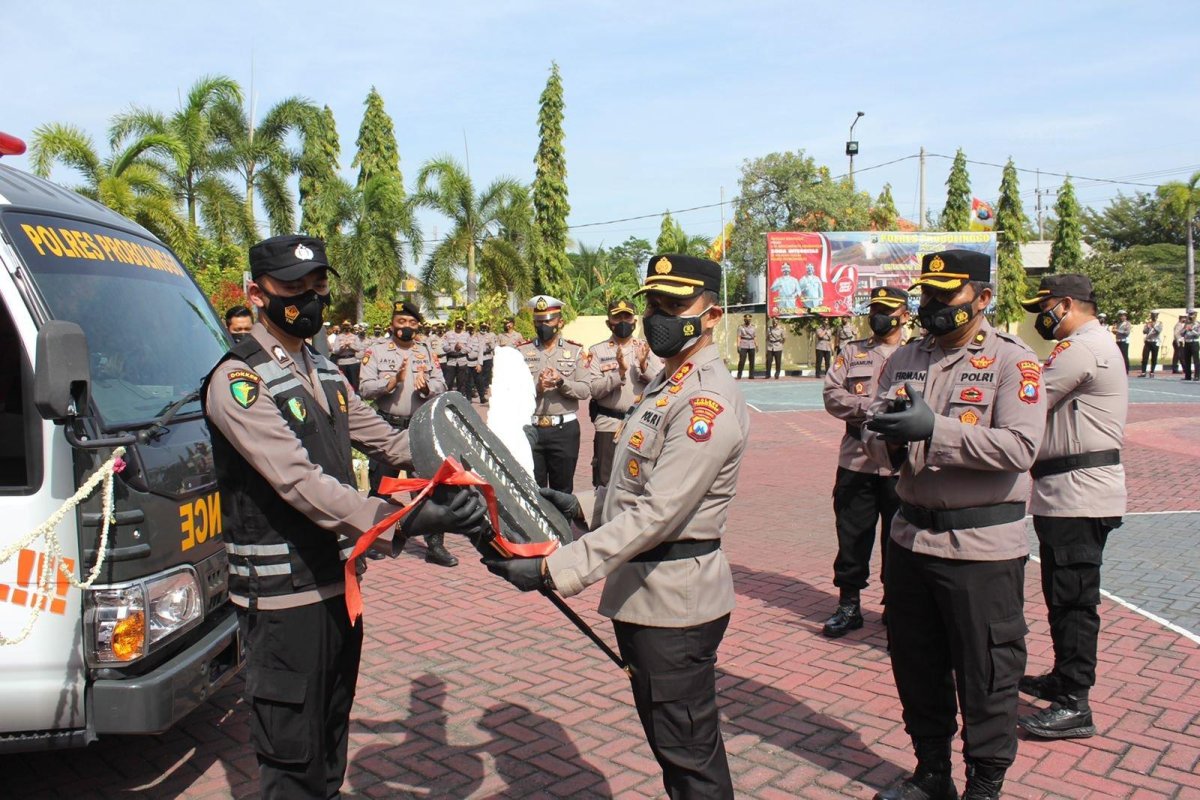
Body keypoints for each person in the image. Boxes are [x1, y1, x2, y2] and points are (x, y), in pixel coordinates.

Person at [201, 234, 487, 799]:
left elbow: (391, 443)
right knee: (293, 762)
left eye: (317, 284)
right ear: (257, 295)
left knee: (331, 741)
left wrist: (471, 461)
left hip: (337, 586)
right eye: (293, 286)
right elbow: (298, 482)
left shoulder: (325, 372)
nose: (309, 297)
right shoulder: (238, 381)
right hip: (283, 599)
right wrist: (402, 521)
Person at [486, 253, 749, 799]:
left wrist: (556, 568)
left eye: (674, 305)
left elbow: (659, 513)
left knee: (689, 758)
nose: (657, 317)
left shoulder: (704, 399)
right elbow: (637, 487)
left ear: (712, 315)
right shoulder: (669, 382)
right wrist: (579, 504)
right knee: (676, 750)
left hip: (675, 604)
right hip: (649, 596)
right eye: (653, 303)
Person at [862, 250, 1045, 800]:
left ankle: (984, 785)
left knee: (987, 673)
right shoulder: (905, 357)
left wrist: (934, 430)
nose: (932, 305)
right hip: (910, 537)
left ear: (982, 298)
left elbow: (1021, 447)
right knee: (916, 664)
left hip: (980, 547)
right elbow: (872, 429)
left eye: (946, 294)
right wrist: (890, 438)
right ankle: (931, 773)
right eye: (927, 294)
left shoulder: (1013, 361)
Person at [1017, 274, 1127, 740]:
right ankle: (1064, 678)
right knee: (1063, 597)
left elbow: (1026, 400)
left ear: (1065, 304)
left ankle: (1074, 704)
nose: (1039, 317)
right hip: (1065, 492)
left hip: (1079, 494)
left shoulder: (1081, 348)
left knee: (1075, 602)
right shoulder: (1086, 344)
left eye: (1043, 308)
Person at [820, 287, 909, 638]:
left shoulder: (918, 354)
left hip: (901, 464)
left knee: (899, 539)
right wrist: (871, 409)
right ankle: (849, 605)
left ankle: (895, 604)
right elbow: (832, 394)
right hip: (856, 460)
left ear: (904, 315)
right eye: (874, 310)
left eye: (887, 310)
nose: (879, 317)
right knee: (852, 535)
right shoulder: (852, 352)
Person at [358, 300, 458, 568]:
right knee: (381, 485)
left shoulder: (426, 351)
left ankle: (435, 546)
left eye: (412, 323)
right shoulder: (376, 351)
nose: (407, 327)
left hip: (418, 428)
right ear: (392, 324)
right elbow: (364, 388)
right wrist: (390, 383)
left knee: (427, 487)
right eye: (402, 322)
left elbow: (441, 384)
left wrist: (427, 389)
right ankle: (377, 539)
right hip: (387, 428)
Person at [584, 298, 662, 527]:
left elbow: (662, 382)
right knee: (605, 481)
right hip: (609, 424)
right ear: (609, 322)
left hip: (640, 425)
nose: (623, 322)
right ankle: (602, 531)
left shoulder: (647, 348)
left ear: (635, 320)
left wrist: (644, 366)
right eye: (617, 317)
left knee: (639, 479)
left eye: (627, 317)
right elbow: (593, 389)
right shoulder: (598, 351)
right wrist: (618, 373)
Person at [516, 295, 590, 492]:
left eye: (548, 321)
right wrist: (537, 387)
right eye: (538, 321)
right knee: (532, 490)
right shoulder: (521, 351)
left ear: (560, 322)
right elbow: (513, 391)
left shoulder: (575, 351)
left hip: (564, 430)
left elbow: (585, 390)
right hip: (531, 429)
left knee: (562, 491)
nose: (543, 326)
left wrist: (561, 382)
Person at [441, 318, 469, 396]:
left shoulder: (466, 335)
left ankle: (460, 399)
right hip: (451, 361)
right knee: (448, 382)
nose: (459, 325)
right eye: (458, 323)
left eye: (461, 324)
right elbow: (444, 347)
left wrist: (461, 350)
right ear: (455, 324)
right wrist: (454, 348)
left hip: (462, 361)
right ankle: (448, 399)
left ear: (463, 325)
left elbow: (470, 348)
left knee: (462, 383)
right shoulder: (448, 334)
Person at [332, 321, 363, 391]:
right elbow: (335, 351)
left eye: (348, 326)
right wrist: (342, 348)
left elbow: (358, 348)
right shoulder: (338, 337)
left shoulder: (354, 337)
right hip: (342, 362)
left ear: (350, 326)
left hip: (352, 361)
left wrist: (350, 345)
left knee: (354, 381)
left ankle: (355, 394)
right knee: (343, 382)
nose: (346, 327)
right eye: (345, 326)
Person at [1141, 311, 1162, 377]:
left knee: (1154, 357)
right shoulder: (1148, 323)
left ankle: (1152, 371)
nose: (1153, 317)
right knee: (1145, 357)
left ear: (1157, 316)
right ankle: (1143, 372)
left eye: (1155, 315)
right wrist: (1147, 327)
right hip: (1148, 341)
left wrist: (1154, 327)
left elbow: (1159, 331)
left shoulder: (1159, 323)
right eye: (1152, 315)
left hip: (1155, 342)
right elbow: (1144, 332)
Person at [736, 314, 757, 379]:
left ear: (750, 319)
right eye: (746, 319)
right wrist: (738, 346)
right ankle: (739, 374)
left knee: (752, 361)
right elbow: (738, 337)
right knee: (742, 361)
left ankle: (751, 375)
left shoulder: (753, 327)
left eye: (749, 319)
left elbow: (755, 337)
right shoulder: (740, 327)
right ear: (744, 319)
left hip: (751, 345)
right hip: (743, 345)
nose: (748, 320)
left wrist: (757, 345)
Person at [1183, 310, 1200, 381]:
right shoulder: (1187, 324)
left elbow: (1198, 334)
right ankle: (1188, 376)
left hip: (1194, 342)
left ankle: (1197, 376)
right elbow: (1181, 334)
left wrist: (1191, 330)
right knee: (1187, 359)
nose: (1190, 316)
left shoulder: (1198, 324)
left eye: (1191, 315)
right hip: (1187, 342)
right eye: (1189, 315)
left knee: (1196, 360)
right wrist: (1185, 329)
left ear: (1195, 315)